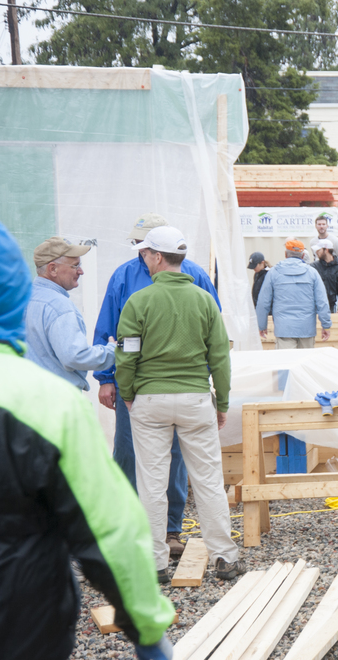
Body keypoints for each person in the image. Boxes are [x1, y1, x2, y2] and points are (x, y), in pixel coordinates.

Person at [0, 216, 176, 660]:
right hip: (17, 619)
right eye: (73, 262)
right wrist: (147, 624)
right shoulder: (45, 405)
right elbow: (107, 527)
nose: (81, 270)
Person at [116, 225, 243, 583]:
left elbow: (126, 355)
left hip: (150, 399)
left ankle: (155, 562)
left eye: (146, 253)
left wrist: (127, 392)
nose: (143, 258)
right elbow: (220, 357)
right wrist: (223, 400)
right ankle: (224, 557)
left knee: (151, 482)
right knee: (207, 480)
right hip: (195, 398)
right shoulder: (204, 300)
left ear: (158, 257)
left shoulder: (139, 301)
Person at [94, 212, 220, 559]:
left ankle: (169, 529)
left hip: (150, 389)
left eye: (143, 246)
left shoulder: (193, 275)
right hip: (136, 387)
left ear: (157, 252)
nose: (138, 250)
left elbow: (214, 332)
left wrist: (203, 377)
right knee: (127, 452)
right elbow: (107, 328)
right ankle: (127, 527)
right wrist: (108, 381)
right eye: (138, 245)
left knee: (174, 458)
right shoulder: (124, 275)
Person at [24, 236, 115, 390]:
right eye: (75, 265)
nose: (81, 271)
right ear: (53, 269)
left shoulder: (21, 299)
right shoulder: (58, 305)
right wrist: (112, 351)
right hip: (56, 399)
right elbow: (75, 356)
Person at [256, 239, 332, 348]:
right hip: (306, 329)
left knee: (287, 363)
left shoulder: (273, 273)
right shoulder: (312, 273)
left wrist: (261, 325)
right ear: (302, 256)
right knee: (304, 363)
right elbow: (322, 302)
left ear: (286, 254)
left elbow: (263, 302)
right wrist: (326, 325)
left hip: (284, 329)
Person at [312, 240, 338, 312]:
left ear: (326, 250)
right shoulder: (313, 267)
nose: (316, 252)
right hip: (314, 308)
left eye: (318, 250)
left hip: (331, 308)